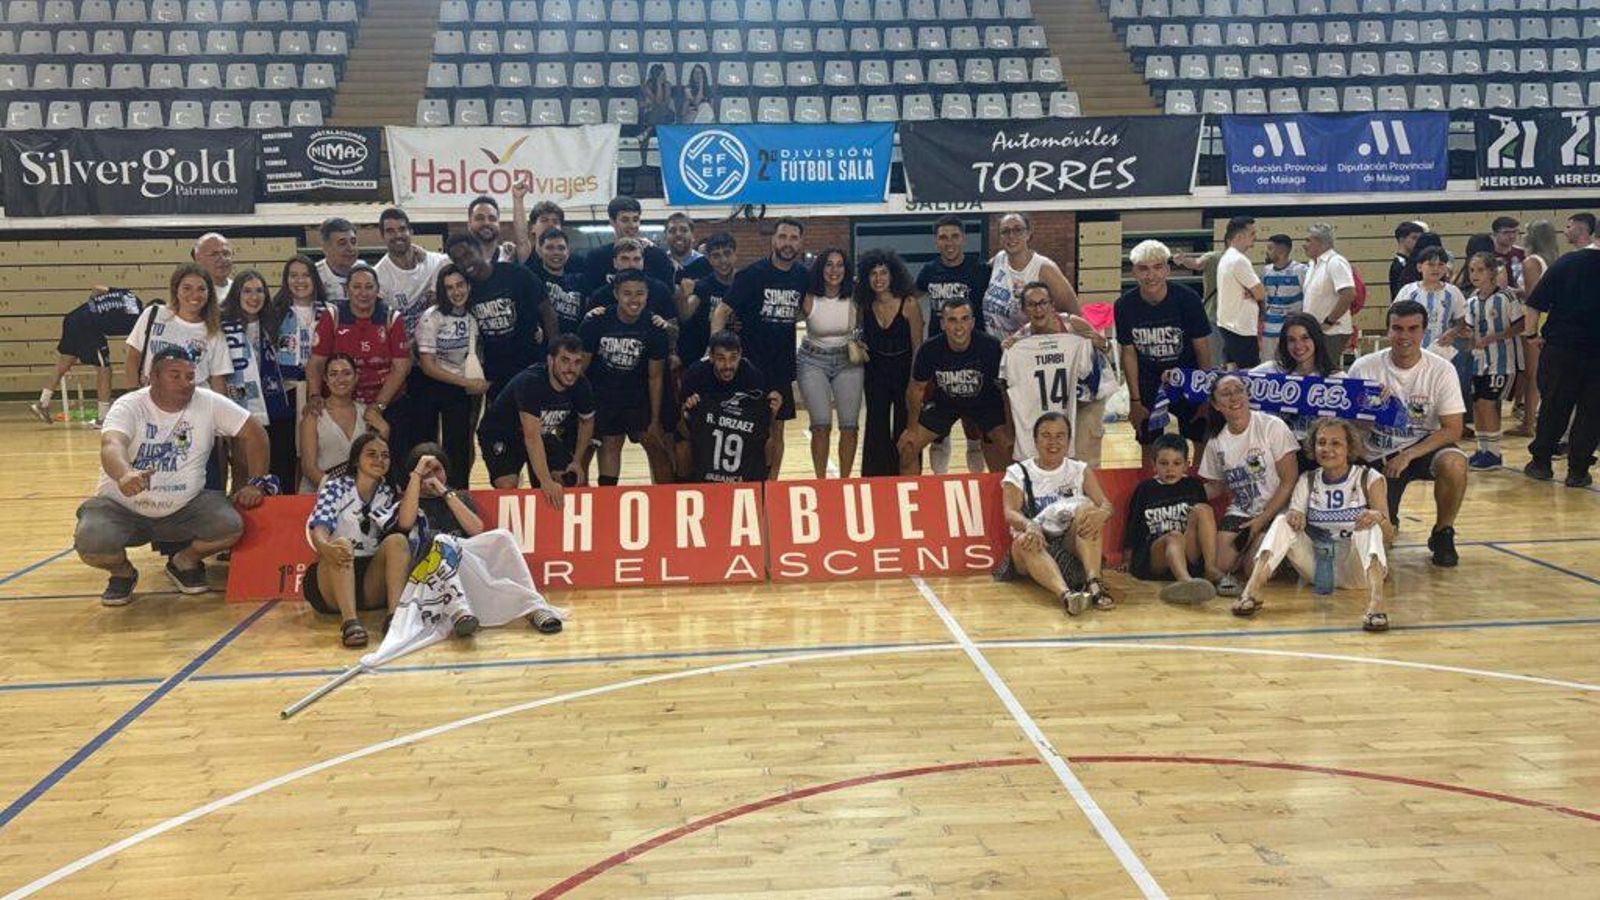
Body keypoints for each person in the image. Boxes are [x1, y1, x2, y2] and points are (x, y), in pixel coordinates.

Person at [76, 346, 270, 605]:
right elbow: (111, 444)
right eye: (174, 375)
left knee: (231, 526)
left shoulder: (208, 401)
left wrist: (257, 482)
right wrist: (124, 474)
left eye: (190, 376)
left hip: (186, 507)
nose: (185, 383)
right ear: (153, 377)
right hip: (123, 508)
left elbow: (255, 433)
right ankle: (122, 573)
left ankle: (184, 560)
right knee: (91, 541)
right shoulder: (129, 405)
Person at [1232, 418, 1395, 631]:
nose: (1327, 449)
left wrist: (1378, 518)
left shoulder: (1369, 478)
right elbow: (1294, 515)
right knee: (1282, 520)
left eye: (1335, 443)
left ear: (1349, 448)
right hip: (1319, 568)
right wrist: (1295, 516)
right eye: (1321, 442)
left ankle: (1376, 603)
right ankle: (1252, 591)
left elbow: (1390, 536)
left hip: (1357, 570)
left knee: (1368, 525)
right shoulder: (1307, 480)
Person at [1347, 299, 1468, 566]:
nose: (1404, 336)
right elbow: (1348, 428)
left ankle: (1443, 532)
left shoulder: (1441, 369)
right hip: (1377, 454)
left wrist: (1409, 454)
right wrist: (1369, 414)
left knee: (1455, 462)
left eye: (1412, 329)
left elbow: (1453, 429)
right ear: (1387, 330)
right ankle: (1390, 517)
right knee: (1380, 541)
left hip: (1422, 448)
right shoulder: (1363, 368)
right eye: (1397, 328)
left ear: (1423, 331)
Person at [712, 217, 808, 473]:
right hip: (749, 367)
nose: (788, 243)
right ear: (773, 240)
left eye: (793, 238)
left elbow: (808, 310)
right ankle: (744, 481)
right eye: (783, 237)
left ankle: (772, 486)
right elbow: (721, 311)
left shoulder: (803, 276)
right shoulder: (751, 275)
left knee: (777, 430)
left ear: (800, 242)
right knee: (746, 428)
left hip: (781, 367)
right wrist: (715, 349)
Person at [997, 412, 1114, 615]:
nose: (1053, 442)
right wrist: (1029, 525)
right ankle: (1067, 595)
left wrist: (1102, 513)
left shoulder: (1079, 470)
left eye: (1060, 436)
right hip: (1034, 544)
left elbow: (1106, 504)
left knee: (1088, 512)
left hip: (1070, 544)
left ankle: (1094, 583)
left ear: (1069, 440)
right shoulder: (1018, 472)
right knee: (1025, 539)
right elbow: (1010, 513)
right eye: (1046, 435)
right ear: (1035, 440)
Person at [1198, 372, 1301, 601]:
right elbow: (1217, 486)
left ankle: (1281, 554)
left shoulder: (1272, 426)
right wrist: (1182, 493)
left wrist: (1262, 520)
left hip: (1277, 511)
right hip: (1242, 511)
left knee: (1252, 567)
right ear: (1216, 405)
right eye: (1226, 393)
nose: (1234, 397)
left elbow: (1289, 480)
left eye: (1239, 390)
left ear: (1247, 394)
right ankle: (1257, 548)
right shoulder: (1216, 441)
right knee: (1219, 564)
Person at [305, 432, 411, 648]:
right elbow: (319, 529)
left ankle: (394, 618)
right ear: (356, 460)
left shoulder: (388, 493)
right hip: (335, 571)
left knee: (398, 540)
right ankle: (350, 622)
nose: (379, 460)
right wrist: (326, 548)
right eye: (371, 454)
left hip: (369, 577)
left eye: (385, 456)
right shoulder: (334, 487)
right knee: (342, 543)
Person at [1114, 240, 1214, 467]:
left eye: (1158, 267)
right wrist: (1135, 400)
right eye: (1144, 268)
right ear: (1134, 272)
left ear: (1168, 269)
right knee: (1147, 440)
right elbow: (1128, 353)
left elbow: (1202, 347)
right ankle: (1151, 491)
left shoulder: (1187, 299)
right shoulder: (1124, 305)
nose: (1151, 275)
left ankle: (1196, 486)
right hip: (1148, 380)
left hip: (1187, 376)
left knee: (1200, 436)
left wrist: (1205, 392)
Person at [371, 443, 488, 635]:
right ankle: (459, 613)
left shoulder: (459, 497)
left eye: (437, 470)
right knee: (440, 543)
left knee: (499, 538)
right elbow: (406, 523)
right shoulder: (405, 502)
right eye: (425, 471)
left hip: (459, 572)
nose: (431, 475)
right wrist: (416, 477)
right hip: (422, 580)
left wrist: (443, 492)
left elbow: (476, 529)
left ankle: (533, 609)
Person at [306, 264, 411, 462]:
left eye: (369, 287)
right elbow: (316, 363)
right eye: (357, 287)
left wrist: (378, 406)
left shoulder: (391, 317)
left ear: (377, 290)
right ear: (347, 290)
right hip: (343, 402)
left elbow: (401, 367)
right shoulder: (333, 315)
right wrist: (314, 395)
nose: (363, 293)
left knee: (393, 463)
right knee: (342, 459)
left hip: (387, 403)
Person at [898, 297, 1013, 473]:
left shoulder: (990, 347)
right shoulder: (929, 349)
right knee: (907, 447)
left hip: (984, 404)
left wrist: (1009, 427)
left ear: (973, 322)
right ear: (943, 323)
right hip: (944, 404)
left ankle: (1001, 495)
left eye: (964, 319)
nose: (959, 327)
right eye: (952, 320)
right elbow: (916, 389)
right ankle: (910, 498)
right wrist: (911, 429)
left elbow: (1005, 391)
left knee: (1008, 446)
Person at [477, 334, 595, 501]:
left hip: (542, 435)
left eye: (577, 362)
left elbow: (587, 421)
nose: (571, 369)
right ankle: (518, 473)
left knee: (569, 480)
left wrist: (577, 461)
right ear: (550, 360)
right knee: (508, 485)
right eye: (565, 360)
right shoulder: (531, 382)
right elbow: (531, 437)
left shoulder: (582, 385)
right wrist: (545, 481)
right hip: (501, 434)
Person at [580, 270, 671, 485]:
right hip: (601, 395)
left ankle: (666, 499)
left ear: (647, 295)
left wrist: (655, 419)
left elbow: (655, 376)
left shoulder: (655, 328)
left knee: (655, 444)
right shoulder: (596, 322)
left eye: (640, 293)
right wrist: (578, 407)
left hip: (636, 397)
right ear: (616, 294)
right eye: (627, 293)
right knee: (608, 444)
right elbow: (580, 370)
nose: (634, 299)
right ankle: (606, 496)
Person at [918, 215, 993, 475]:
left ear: (963, 238)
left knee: (974, 428)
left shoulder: (980, 270)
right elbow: (909, 299)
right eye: (942, 237)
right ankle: (940, 483)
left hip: (973, 357)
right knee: (939, 429)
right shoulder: (929, 271)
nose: (948, 242)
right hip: (938, 358)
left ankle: (976, 482)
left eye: (953, 236)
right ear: (936, 241)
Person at [1524, 235, 1600, 487]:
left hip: (1562, 347)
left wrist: (1531, 333)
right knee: (1593, 412)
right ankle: (1578, 469)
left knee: (1554, 405)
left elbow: (1535, 302)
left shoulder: (1568, 262)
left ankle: (1541, 462)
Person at [444, 232, 555, 403]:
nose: (465, 263)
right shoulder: (465, 289)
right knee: (501, 425)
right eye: (458, 260)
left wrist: (554, 351)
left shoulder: (516, 274)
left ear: (479, 249)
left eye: (468, 254)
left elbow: (546, 310)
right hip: (494, 371)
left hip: (530, 363)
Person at [1000, 282, 1101, 465]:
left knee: (1084, 454)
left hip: (1087, 396)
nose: (1038, 309)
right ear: (1024, 309)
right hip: (1049, 404)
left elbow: (1094, 367)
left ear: (1051, 304)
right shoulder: (1018, 343)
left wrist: (1104, 344)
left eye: (1043, 303)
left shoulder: (1073, 326)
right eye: (1031, 304)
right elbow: (1009, 388)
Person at [412, 263, 489, 488]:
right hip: (432, 385)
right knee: (427, 445)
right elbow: (428, 366)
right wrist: (467, 383)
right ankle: (424, 493)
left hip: (461, 391)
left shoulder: (474, 316)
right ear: (441, 291)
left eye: (460, 285)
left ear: (468, 286)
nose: (456, 292)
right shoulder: (432, 317)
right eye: (449, 288)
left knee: (459, 447)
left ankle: (458, 494)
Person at [219, 271, 294, 490]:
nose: (254, 297)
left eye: (259, 291)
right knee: (243, 468)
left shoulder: (272, 323)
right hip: (240, 404)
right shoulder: (224, 326)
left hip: (273, 404)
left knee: (271, 467)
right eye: (247, 291)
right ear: (237, 294)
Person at [1124, 433, 1220, 604]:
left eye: (1177, 463)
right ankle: (1185, 583)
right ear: (1153, 465)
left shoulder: (1194, 486)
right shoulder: (1146, 489)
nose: (1170, 469)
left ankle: (1210, 568)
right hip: (1157, 556)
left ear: (1186, 466)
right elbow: (1134, 525)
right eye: (1164, 463)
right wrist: (1127, 558)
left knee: (1203, 509)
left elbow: (1202, 524)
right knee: (1174, 536)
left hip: (1188, 551)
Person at [31, 286, 144, 426]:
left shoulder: (129, 295)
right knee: (105, 370)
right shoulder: (139, 320)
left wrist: (93, 309)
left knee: (64, 363)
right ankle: (103, 418)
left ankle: (43, 402)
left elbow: (97, 288)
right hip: (89, 327)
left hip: (74, 317)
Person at [856, 249, 924, 477]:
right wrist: (857, 344)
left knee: (906, 425)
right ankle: (875, 481)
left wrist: (915, 381)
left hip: (905, 370)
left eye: (883, 273)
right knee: (876, 425)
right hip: (875, 371)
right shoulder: (864, 306)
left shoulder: (909, 304)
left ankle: (906, 476)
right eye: (873, 274)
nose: (878, 279)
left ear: (892, 274)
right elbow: (859, 335)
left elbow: (918, 347)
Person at [796, 248, 863, 478]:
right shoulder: (807, 297)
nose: (834, 270)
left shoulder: (855, 296)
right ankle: (821, 481)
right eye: (829, 265)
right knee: (821, 425)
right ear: (821, 268)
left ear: (846, 270)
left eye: (840, 265)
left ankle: (845, 480)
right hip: (813, 361)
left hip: (848, 361)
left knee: (850, 426)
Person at [1249, 312, 1343, 469]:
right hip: (1275, 455)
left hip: (1319, 457)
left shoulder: (1337, 378)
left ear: (1316, 339)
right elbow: (1237, 384)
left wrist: (1379, 394)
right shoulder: (1271, 370)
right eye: (1291, 340)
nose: (1298, 346)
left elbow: (1361, 405)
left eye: (1305, 338)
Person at [125, 263, 229, 393]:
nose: (194, 294)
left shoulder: (214, 331)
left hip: (194, 403)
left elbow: (217, 380)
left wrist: (220, 411)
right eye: (187, 288)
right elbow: (133, 358)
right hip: (152, 399)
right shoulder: (153, 314)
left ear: (209, 293)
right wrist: (133, 394)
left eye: (201, 289)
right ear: (176, 289)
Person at [1462, 253, 1523, 470]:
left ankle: (1494, 453)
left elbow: (1520, 325)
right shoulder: (1470, 301)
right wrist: (1462, 335)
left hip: (1502, 361)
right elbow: (1468, 329)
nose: (1475, 275)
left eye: (1480, 270)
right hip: (1479, 362)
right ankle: (1482, 449)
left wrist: (1494, 337)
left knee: (1488, 404)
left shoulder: (1506, 298)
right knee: (1478, 405)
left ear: (1492, 272)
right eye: (1471, 270)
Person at [982, 212, 1079, 340]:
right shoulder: (999, 259)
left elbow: (1074, 313)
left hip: (1026, 352)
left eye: (1018, 230)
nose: (1011, 236)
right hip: (996, 350)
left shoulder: (1044, 268)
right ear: (999, 237)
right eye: (1005, 231)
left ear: (1028, 234)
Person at [299, 353, 387, 493]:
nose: (340, 379)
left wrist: (385, 432)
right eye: (333, 374)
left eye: (346, 373)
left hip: (359, 495)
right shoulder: (314, 414)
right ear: (325, 380)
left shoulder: (366, 414)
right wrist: (341, 491)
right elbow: (309, 467)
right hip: (320, 494)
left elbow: (376, 460)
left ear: (356, 377)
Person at [1511, 220, 1560, 438]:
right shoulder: (1553, 260)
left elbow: (1533, 298)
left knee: (1533, 375)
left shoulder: (1531, 261)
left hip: (1535, 320)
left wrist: (1516, 292)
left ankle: (1528, 423)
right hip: (1551, 318)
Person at [374, 207, 450, 340]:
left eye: (402, 229)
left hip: (438, 343)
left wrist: (436, 291)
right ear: (382, 236)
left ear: (411, 232)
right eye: (390, 231)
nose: (398, 235)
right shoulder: (378, 276)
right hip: (403, 347)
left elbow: (456, 257)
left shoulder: (435, 261)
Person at [583, 195, 677, 292]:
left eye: (635, 220)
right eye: (625, 220)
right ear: (612, 222)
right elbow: (590, 298)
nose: (632, 225)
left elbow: (668, 297)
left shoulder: (658, 256)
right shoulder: (596, 258)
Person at [1393, 246, 1467, 356]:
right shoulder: (1408, 291)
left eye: (1441, 264)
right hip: (1411, 351)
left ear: (1446, 268)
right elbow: (1394, 318)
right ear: (1419, 267)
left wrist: (1453, 332)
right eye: (1431, 265)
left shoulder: (1453, 292)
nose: (1436, 269)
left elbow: (1461, 321)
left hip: (1442, 352)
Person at [1215, 215, 1266, 369]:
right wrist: (1254, 292)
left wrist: (1253, 291)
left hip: (1229, 324)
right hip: (1241, 328)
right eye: (1252, 234)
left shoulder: (1226, 258)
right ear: (1239, 236)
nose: (1255, 237)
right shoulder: (1239, 260)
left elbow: (1255, 291)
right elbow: (1260, 293)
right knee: (1249, 374)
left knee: (1232, 371)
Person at [1302, 223, 1356, 366]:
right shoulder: (1313, 264)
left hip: (1332, 332)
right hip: (1317, 331)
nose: (1304, 245)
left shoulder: (1336, 262)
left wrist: (1329, 322)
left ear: (1321, 242)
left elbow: (1348, 294)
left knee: (1325, 371)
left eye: (1308, 240)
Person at [681, 231, 737, 366]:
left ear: (735, 254)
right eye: (716, 256)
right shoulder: (703, 286)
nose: (723, 260)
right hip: (708, 356)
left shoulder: (745, 283)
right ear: (709, 259)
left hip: (739, 355)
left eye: (727, 253)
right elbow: (685, 315)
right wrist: (683, 296)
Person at [1260, 234, 1306, 361]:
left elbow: (1309, 298)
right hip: (1269, 330)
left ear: (1281, 251)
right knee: (1268, 366)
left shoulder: (1301, 270)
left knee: (1291, 365)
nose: (1266, 252)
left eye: (1270, 248)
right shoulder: (1265, 271)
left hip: (1291, 329)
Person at [509, 181, 565, 265]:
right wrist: (518, 199)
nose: (550, 224)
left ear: (561, 228)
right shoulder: (527, 257)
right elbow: (521, 240)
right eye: (544, 220)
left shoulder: (574, 262)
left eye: (555, 221)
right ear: (533, 228)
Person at [315, 217, 360, 302]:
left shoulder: (367, 273)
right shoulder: (314, 277)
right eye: (342, 243)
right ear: (326, 248)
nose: (350, 248)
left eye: (353, 242)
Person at [467, 194, 514, 263]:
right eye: (480, 218)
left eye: (492, 218)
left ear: (499, 224)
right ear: (469, 224)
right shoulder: (450, 261)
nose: (486, 223)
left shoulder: (511, 257)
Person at [1490, 215, 1526, 295]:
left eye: (1514, 232)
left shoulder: (1522, 253)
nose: (1512, 236)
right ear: (1494, 234)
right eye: (1506, 232)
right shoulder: (1488, 255)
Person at [1389, 221, 1426, 299]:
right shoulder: (1400, 264)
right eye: (1414, 238)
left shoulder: (1414, 261)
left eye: (1420, 239)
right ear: (1402, 239)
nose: (1418, 242)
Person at [192, 232, 234, 299]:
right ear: (198, 259)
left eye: (226, 254)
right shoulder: (189, 294)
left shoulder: (241, 291)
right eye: (214, 254)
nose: (222, 259)